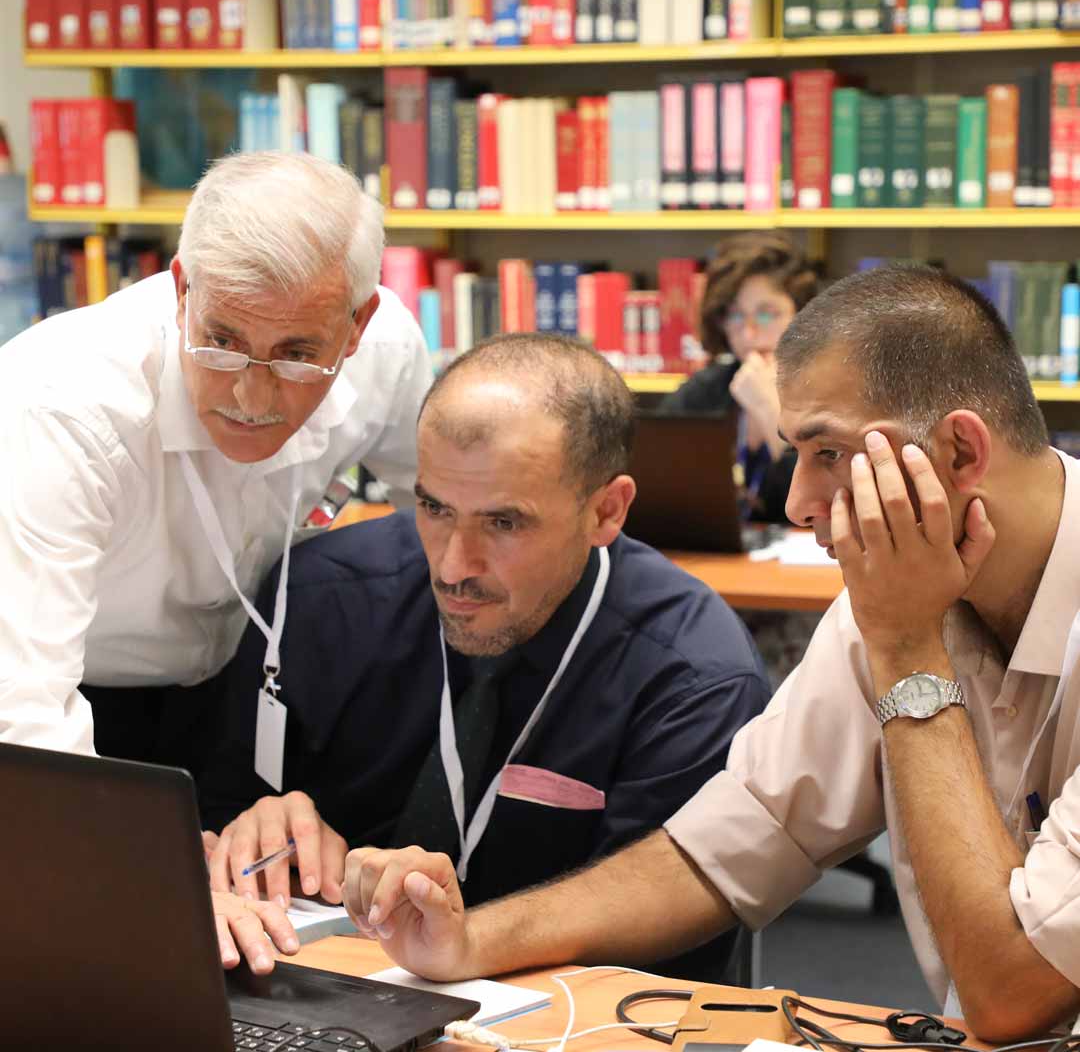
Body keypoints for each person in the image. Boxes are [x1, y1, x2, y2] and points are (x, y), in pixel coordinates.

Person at [342, 265, 1080, 1041]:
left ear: (961, 453)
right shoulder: (902, 594)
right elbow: (718, 853)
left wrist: (907, 651)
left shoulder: (898, 614)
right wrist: (472, 940)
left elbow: (1012, 995)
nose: (796, 503)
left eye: (827, 452)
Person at [202, 333, 770, 978]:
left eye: (504, 523)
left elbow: (669, 962)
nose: (452, 566)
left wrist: (472, 942)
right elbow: (208, 829)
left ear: (606, 511)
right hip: (316, 995)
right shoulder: (317, 597)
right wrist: (252, 837)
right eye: (434, 508)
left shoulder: (693, 676)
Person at [0, 151, 432, 771]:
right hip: (82, 689)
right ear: (181, 292)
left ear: (357, 325)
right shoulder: (61, 407)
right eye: (223, 343)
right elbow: (27, 716)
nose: (251, 399)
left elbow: (449, 516)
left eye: (296, 354)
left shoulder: (387, 351)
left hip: (261, 675)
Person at [660, 231, 818, 524]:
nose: (748, 334)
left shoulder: (829, 394)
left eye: (766, 314)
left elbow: (818, 506)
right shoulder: (707, 389)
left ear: (803, 315)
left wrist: (771, 412)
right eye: (734, 315)